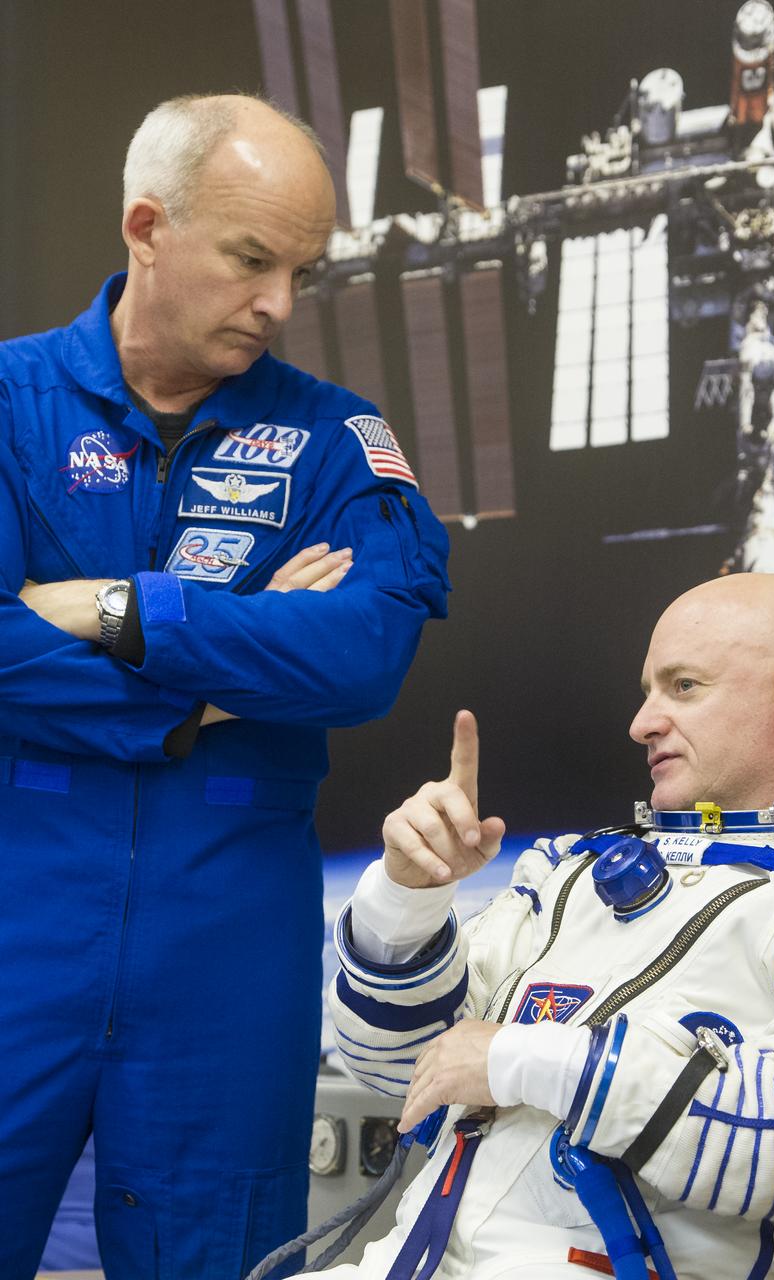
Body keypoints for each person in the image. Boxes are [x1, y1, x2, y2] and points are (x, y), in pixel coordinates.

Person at [0, 93, 448, 1279]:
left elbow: (360, 655)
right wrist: (209, 694)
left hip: (227, 947)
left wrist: (127, 609)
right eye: (252, 260)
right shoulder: (8, 404)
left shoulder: (338, 442)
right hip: (17, 914)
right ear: (147, 227)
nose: (280, 304)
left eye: (302, 271)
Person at [324, 574, 774, 1280]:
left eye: (683, 687)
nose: (641, 723)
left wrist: (521, 1059)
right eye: (649, 691)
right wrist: (406, 902)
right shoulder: (570, 876)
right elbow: (399, 1072)